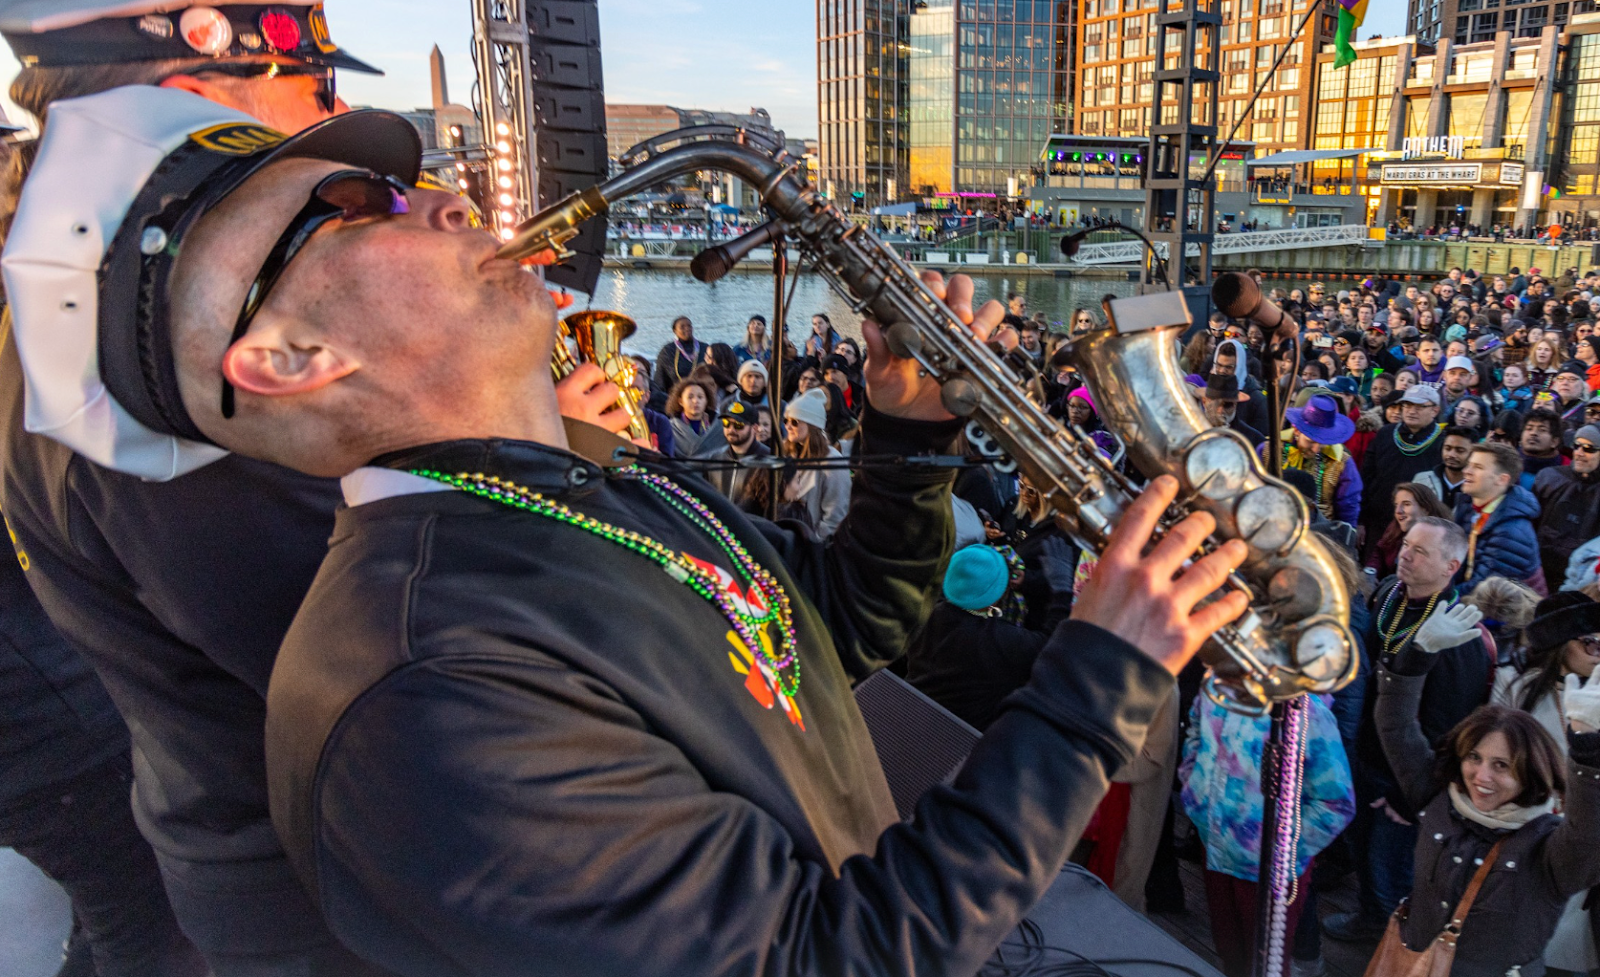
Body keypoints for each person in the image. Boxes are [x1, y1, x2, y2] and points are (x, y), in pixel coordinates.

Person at [5, 94, 1255, 975]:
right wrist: (1100, 677)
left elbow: (851, 619)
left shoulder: (568, 477)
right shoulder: (428, 698)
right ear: (285, 359)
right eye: (347, 208)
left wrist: (904, 438)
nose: (440, 200)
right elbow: (843, 956)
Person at [0, 13, 451, 973]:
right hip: (332, 881)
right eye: (316, 89)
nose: (334, 111)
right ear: (196, 103)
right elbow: (390, 672)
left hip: (231, 823)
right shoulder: (167, 367)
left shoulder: (76, 309)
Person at [1375, 658, 1600, 974]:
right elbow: (1396, 728)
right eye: (1474, 757)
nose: (1481, 776)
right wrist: (1411, 664)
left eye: (1501, 766)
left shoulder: (1550, 846)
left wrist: (1588, 754)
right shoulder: (1439, 799)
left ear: (1530, 771)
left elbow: (1589, 834)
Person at [1327, 517, 1491, 942]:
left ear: (1450, 566)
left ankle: (1391, 948)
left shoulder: (1458, 635)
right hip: (1364, 753)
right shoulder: (1388, 594)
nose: (1405, 554)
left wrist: (1408, 791)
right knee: (1362, 854)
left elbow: (1448, 727)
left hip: (1399, 777)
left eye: (1421, 551)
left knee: (1389, 871)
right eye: (1406, 545)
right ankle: (1368, 922)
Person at [1180, 691, 1355, 977]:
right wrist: (1194, 791)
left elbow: (1336, 803)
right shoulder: (1214, 687)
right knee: (1229, 951)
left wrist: (1279, 847)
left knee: (1264, 965)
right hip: (1214, 849)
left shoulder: (1306, 712)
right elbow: (1195, 733)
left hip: (1269, 872)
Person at [1490, 591, 1600, 974]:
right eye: (1590, 642)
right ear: (1559, 645)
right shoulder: (1518, 690)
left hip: (1584, 839)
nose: (1599, 651)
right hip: (1527, 836)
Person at [1360, 385, 1446, 559]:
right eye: (1407, 405)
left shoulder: (1443, 442)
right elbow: (1366, 477)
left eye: (1419, 407)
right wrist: (1360, 520)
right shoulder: (1386, 433)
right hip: (1378, 522)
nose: (1411, 411)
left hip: (1418, 528)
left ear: (1435, 410)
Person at [1455, 442, 1543, 594]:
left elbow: (1481, 591)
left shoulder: (1510, 531)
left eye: (1478, 467)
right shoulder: (1469, 508)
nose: (1466, 471)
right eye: (1469, 465)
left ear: (1502, 479)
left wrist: (1434, 597)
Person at [1271, 393, 1362, 525]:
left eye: (1322, 442)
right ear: (1296, 430)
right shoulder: (1269, 450)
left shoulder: (1341, 463)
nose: (1316, 449)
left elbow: (1348, 510)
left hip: (1318, 537)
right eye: (1311, 441)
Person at [1533, 424, 1600, 588]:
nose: (1579, 453)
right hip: (1538, 569)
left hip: (1580, 580)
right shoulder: (1550, 477)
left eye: (1589, 448)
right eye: (1576, 446)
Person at [779, 388, 850, 536]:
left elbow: (835, 516)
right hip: (782, 538)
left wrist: (813, 541)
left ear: (812, 426)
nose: (788, 426)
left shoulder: (832, 462)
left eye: (795, 422)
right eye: (786, 421)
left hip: (810, 545)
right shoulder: (785, 454)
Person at [1364, 482, 1452, 579]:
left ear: (1426, 508)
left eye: (1406, 504)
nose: (1398, 511)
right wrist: (1371, 572)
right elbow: (1379, 553)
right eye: (1396, 505)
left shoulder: (1443, 539)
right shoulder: (1395, 528)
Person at [697, 400, 770, 513]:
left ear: (754, 428)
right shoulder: (715, 459)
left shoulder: (767, 459)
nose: (731, 429)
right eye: (726, 423)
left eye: (738, 425)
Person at [1414, 425, 1474, 510]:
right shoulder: (1422, 480)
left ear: (1473, 453)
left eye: (1460, 451)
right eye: (1447, 448)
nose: (1451, 455)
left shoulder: (1477, 487)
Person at [664, 376, 725, 459]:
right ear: (681, 401)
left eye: (700, 397)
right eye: (690, 397)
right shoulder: (670, 428)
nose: (696, 401)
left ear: (706, 400)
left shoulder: (719, 426)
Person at [1198, 373, 1263, 446]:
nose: (1221, 410)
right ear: (1204, 401)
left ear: (1235, 404)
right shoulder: (1192, 434)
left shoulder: (1252, 439)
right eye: (1215, 405)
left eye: (1227, 405)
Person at [653, 316, 706, 391]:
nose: (687, 328)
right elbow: (660, 378)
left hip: (701, 393)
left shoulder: (704, 348)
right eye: (682, 327)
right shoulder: (667, 351)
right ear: (675, 331)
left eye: (689, 326)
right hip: (676, 394)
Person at [1520, 408, 1569, 488]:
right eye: (1529, 429)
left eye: (1542, 430)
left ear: (1554, 442)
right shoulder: (1507, 462)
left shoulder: (1566, 471)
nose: (1533, 433)